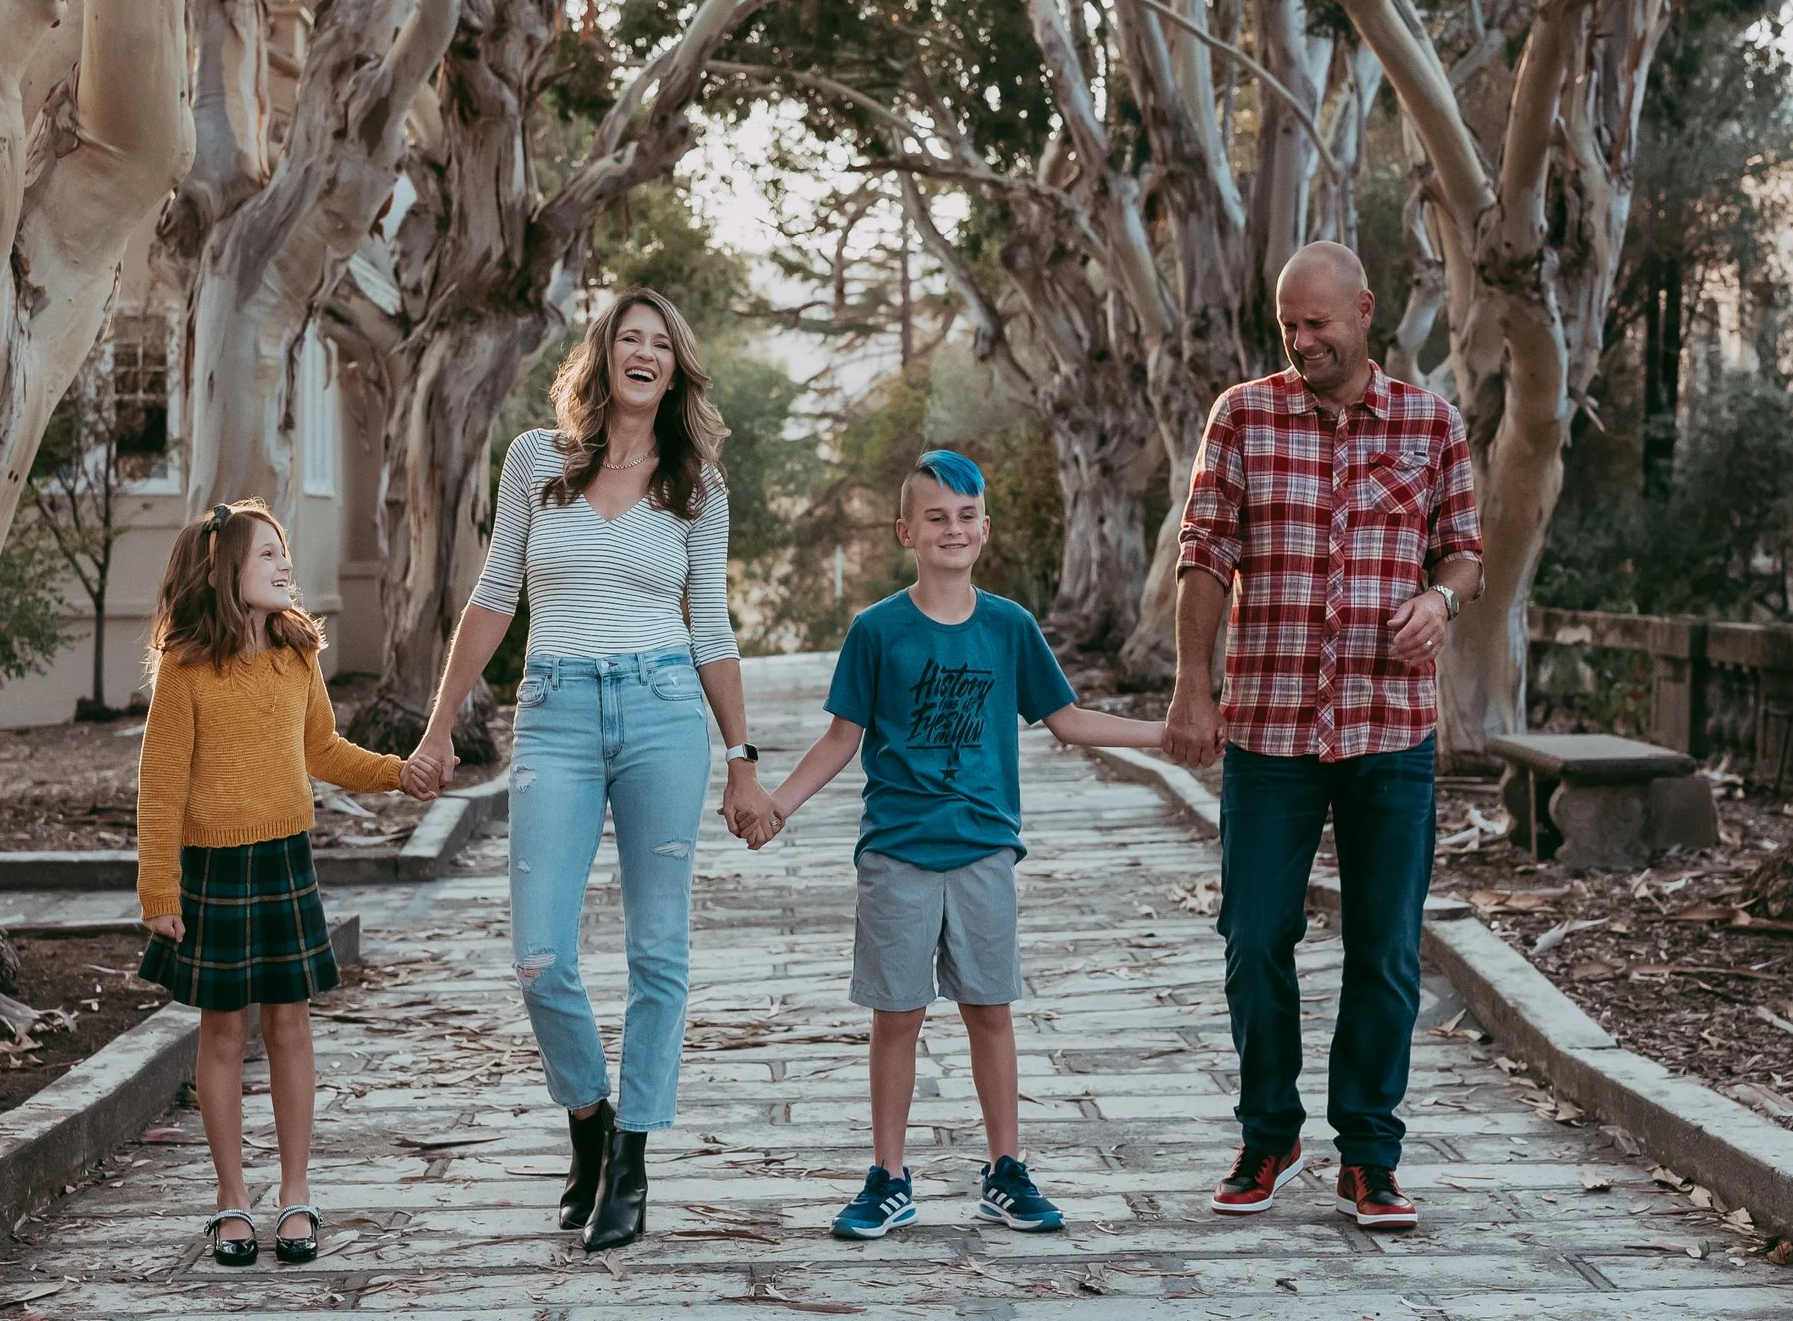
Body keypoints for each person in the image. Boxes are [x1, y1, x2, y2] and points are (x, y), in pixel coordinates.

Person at [398, 289, 776, 1253]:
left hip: (661, 715)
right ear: (603, 356)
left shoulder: (699, 486)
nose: (643, 353)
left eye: (661, 343)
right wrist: (439, 731)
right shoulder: (537, 461)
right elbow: (492, 596)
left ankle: (634, 1162)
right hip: (556, 708)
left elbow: (714, 627)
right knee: (539, 956)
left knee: (658, 953)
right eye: (629, 339)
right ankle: (589, 1120)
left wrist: (741, 762)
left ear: (676, 367)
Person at [744, 449, 1169, 1241]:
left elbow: (1068, 721)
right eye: (936, 516)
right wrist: (778, 806)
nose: (953, 528)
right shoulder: (877, 631)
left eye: (966, 516)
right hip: (897, 853)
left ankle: (1006, 1171)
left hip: (983, 851)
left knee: (989, 1009)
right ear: (908, 530)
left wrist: (1165, 733)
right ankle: (889, 1177)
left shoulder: (1010, 629)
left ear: (985, 530)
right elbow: (842, 738)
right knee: (897, 1016)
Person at [1167, 241, 1483, 1229]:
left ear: (1365, 308)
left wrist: (1438, 598)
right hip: (1268, 724)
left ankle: (1368, 1153)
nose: (1302, 341)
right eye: (1288, 326)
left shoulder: (1432, 421)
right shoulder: (1244, 414)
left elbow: (1463, 550)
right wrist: (1191, 687)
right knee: (1254, 934)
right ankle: (1268, 1133)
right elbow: (1206, 550)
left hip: (1389, 727)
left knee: (1384, 948)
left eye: (1318, 323)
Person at [136, 499, 420, 1269]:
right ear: (226, 570)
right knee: (224, 1033)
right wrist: (159, 892)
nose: (283, 564)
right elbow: (160, 787)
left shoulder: (298, 654)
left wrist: (398, 772)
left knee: (290, 1026)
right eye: (267, 554)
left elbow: (323, 749)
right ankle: (232, 1202)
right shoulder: (187, 669)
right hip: (214, 869)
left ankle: (295, 1196)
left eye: (283, 551)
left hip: (286, 860)